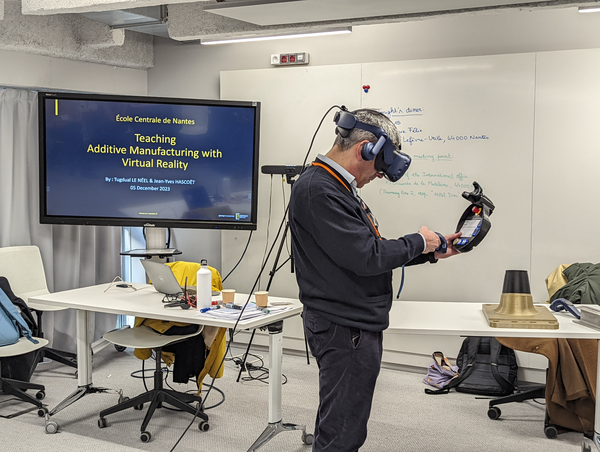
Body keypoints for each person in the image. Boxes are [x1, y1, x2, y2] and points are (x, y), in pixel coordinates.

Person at [289, 108, 462, 452]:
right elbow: (368, 258)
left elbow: (364, 252)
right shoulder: (319, 189)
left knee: (342, 416)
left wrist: (428, 251)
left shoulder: (333, 186)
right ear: (364, 148)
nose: (379, 176)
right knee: (343, 431)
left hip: (347, 323)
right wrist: (419, 240)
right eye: (379, 166)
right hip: (344, 326)